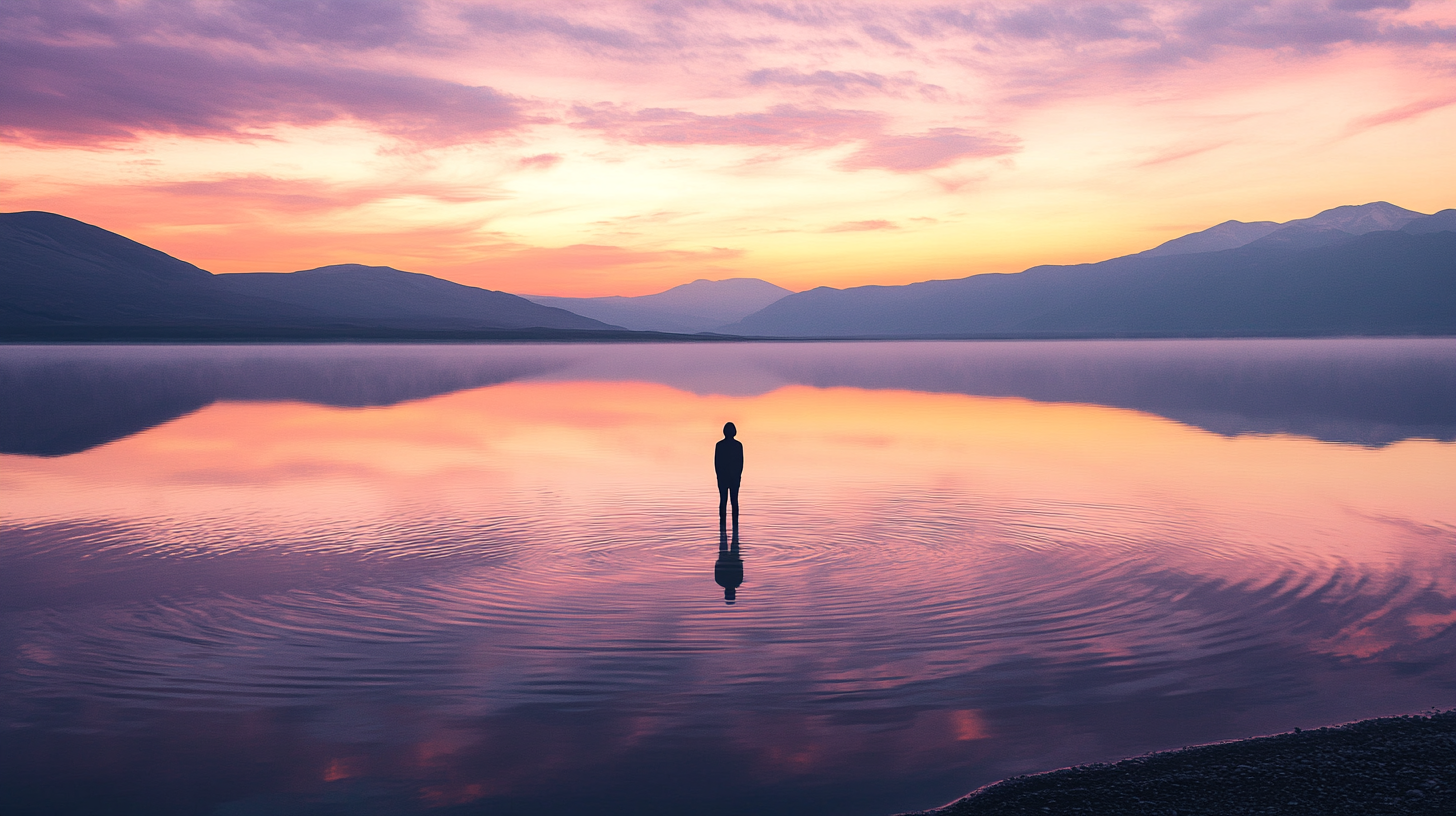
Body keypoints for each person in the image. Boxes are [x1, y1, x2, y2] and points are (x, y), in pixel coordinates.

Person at [714, 421, 743, 524]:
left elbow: (716, 463)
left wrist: (719, 476)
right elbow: (740, 463)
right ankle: (734, 525)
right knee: (733, 501)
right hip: (733, 477)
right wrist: (738, 475)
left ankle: (723, 525)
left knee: (724, 500)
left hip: (724, 477)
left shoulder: (720, 445)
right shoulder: (738, 445)